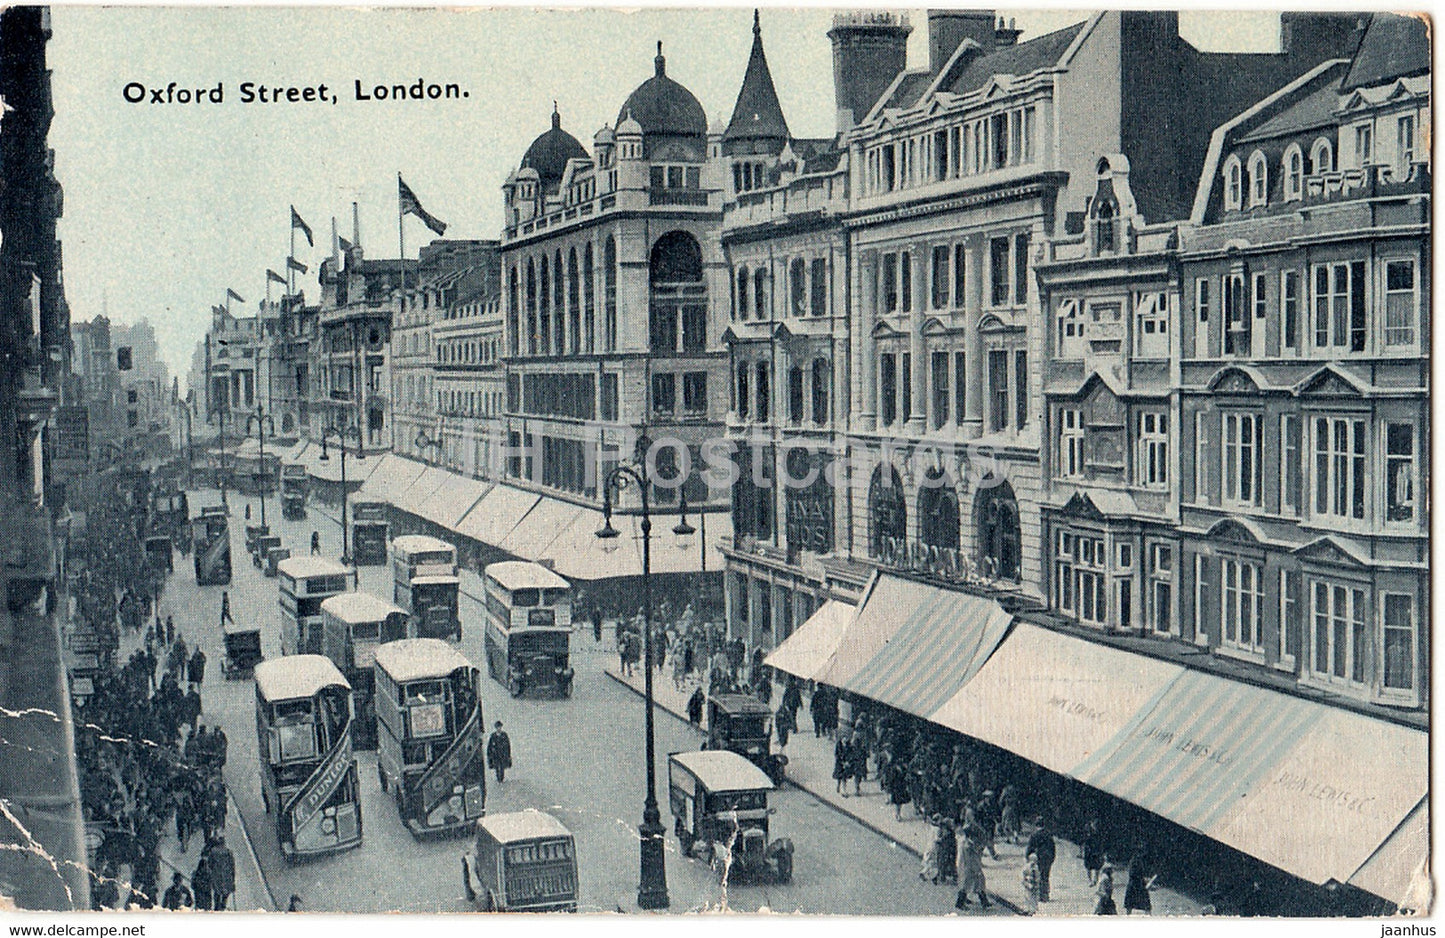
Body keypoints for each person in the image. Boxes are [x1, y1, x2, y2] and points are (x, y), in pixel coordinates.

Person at [954, 828, 990, 910]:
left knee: (978, 884)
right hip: (969, 868)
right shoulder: (968, 846)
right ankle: (960, 903)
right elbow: (971, 860)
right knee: (967, 886)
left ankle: (984, 901)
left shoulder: (966, 843)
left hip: (968, 868)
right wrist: (976, 870)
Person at [1025, 822, 1057, 902]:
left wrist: (1027, 858)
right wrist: (1052, 859)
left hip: (1038, 858)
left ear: (1036, 826)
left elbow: (1029, 848)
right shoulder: (1049, 835)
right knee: (1045, 876)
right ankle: (1045, 895)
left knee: (1038, 877)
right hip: (1047, 858)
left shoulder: (1034, 835)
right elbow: (1053, 848)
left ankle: (1039, 896)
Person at [206, 835, 236, 911]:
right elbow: (232, 866)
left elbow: (209, 864)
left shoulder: (213, 851)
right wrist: (233, 879)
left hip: (217, 876)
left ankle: (217, 908)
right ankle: (222, 906)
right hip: (227, 876)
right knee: (225, 894)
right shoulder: (229, 852)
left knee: (217, 893)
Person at [1124, 845, 1153, 915]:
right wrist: (1144, 879)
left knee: (1130, 905)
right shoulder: (1136, 861)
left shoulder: (1136, 860)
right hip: (1137, 884)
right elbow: (1134, 873)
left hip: (1135, 884)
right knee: (1145, 905)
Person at [1082, 817, 1106, 886]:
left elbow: (1102, 842)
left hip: (1096, 849)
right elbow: (1084, 840)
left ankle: (1095, 880)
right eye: (1094, 824)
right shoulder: (1088, 830)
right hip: (1089, 850)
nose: (1095, 826)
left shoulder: (1100, 833)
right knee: (1088, 866)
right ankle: (1090, 880)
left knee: (1097, 866)